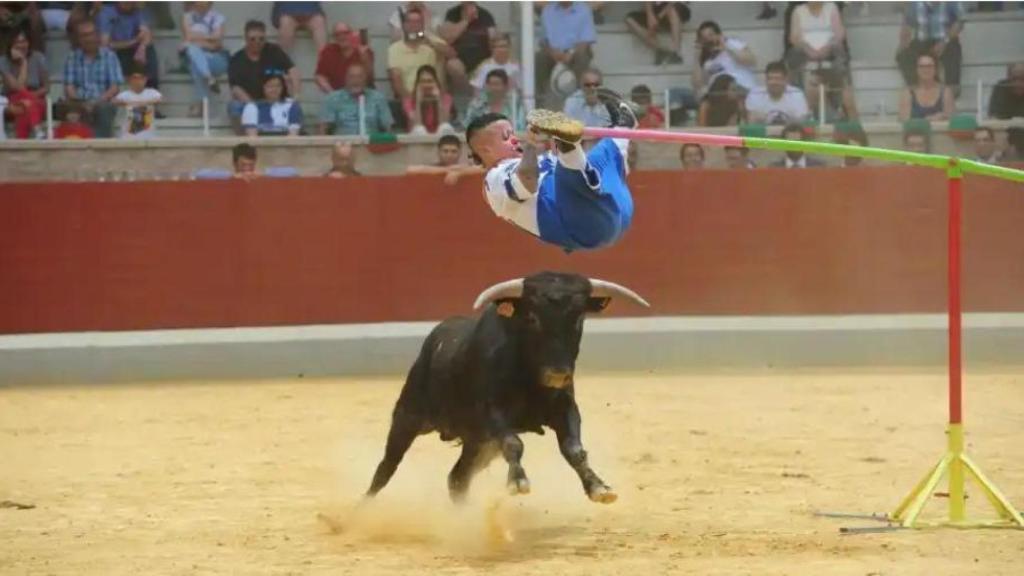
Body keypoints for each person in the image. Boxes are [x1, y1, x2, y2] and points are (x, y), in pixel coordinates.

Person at [465, 97, 640, 253]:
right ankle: (568, 145)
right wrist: (532, 144)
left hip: (616, 214)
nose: (515, 140)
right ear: (485, 150)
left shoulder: (536, 159)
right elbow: (527, 181)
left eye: (513, 133)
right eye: (506, 137)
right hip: (582, 224)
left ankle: (622, 126)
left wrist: (553, 143)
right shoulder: (494, 181)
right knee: (573, 170)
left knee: (599, 157)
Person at [228, 20, 299, 133]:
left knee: (294, 106)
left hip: (276, 99)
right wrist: (253, 106)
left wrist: (296, 95)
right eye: (252, 39)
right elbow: (236, 88)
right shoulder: (237, 59)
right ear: (245, 39)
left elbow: (292, 70)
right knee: (234, 106)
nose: (257, 42)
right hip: (251, 101)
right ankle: (244, 140)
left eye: (261, 39)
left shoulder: (274, 51)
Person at [63, 20, 123, 138]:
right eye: (84, 35)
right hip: (79, 102)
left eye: (91, 34)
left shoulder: (109, 56)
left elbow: (114, 87)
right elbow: (69, 87)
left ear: (97, 35)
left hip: (103, 101)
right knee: (73, 110)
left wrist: (96, 102)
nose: (88, 38)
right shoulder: (72, 57)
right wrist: (81, 103)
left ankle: (100, 147)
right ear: (79, 39)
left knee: (103, 110)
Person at [387, 7, 457, 100]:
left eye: (417, 22)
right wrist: (410, 102)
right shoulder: (394, 49)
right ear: (404, 25)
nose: (413, 25)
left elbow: (452, 54)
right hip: (409, 97)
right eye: (409, 22)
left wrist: (431, 43)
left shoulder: (431, 41)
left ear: (422, 25)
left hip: (433, 96)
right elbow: (396, 82)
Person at [896, 2, 963, 96]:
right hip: (921, 41)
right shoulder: (915, 4)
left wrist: (944, 42)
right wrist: (903, 43)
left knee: (953, 48)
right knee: (903, 54)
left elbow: (959, 23)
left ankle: (951, 90)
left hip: (945, 39)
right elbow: (907, 25)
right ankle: (916, 90)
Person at [537, 1, 596, 101]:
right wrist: (553, 52)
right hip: (553, 51)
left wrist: (571, 52)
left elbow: (586, 40)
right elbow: (543, 41)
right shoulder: (547, 11)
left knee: (581, 57)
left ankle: (580, 99)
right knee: (539, 58)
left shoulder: (584, 10)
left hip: (577, 50)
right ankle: (540, 100)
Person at [180, 1, 227, 118]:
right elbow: (189, 36)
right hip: (193, 57)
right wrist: (209, 39)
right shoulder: (187, 17)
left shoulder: (218, 18)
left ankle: (199, 105)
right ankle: (209, 78)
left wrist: (197, 40)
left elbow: (217, 44)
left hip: (215, 58)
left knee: (193, 53)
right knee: (193, 53)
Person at [785, 2, 848, 90]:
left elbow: (839, 34)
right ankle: (797, 90)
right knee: (794, 54)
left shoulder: (831, 7)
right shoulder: (798, 11)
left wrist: (827, 48)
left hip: (829, 47)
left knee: (839, 50)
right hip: (805, 49)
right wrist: (809, 50)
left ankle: (837, 89)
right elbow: (794, 37)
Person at [98, 2, 159, 91]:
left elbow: (146, 33)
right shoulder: (106, 12)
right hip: (116, 53)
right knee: (107, 53)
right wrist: (134, 42)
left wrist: (142, 47)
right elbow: (105, 44)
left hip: (133, 51)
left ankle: (151, 92)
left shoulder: (139, 11)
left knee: (149, 50)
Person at [319, 63, 393, 135]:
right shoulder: (333, 98)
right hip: (342, 144)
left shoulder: (378, 98)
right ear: (345, 79)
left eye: (360, 77)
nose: (356, 80)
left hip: (371, 143)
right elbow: (324, 130)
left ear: (366, 79)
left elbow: (387, 128)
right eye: (352, 77)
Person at [0, 30, 48, 139]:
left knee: (26, 107)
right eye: (17, 42)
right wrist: (24, 62)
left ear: (29, 42)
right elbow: (17, 88)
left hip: (36, 97)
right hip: (12, 99)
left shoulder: (38, 57)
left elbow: (46, 87)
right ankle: (37, 130)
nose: (21, 45)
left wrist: (31, 97)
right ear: (11, 44)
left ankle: (21, 141)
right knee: (25, 104)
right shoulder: (3, 61)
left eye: (24, 41)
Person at [440, 1, 496, 93]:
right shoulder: (453, 14)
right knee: (452, 65)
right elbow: (448, 38)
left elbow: (493, 41)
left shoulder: (485, 15)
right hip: (459, 60)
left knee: (487, 67)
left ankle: (474, 94)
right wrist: (466, 20)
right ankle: (469, 94)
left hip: (482, 61)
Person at [692, 20, 757, 97]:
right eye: (704, 38)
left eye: (711, 35)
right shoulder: (707, 60)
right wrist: (697, 57)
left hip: (741, 90)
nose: (709, 40)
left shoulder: (732, 43)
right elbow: (697, 84)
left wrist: (726, 48)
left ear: (719, 34)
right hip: (719, 95)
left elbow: (751, 61)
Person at [315, 21, 374, 93]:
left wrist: (364, 56)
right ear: (334, 37)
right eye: (337, 34)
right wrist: (332, 94)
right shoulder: (328, 51)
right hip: (338, 95)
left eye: (345, 33)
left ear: (351, 34)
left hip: (363, 94)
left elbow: (370, 78)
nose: (342, 36)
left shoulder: (364, 50)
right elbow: (320, 76)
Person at [745, 61, 809, 125]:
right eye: (770, 79)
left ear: (786, 79)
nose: (774, 82)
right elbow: (751, 123)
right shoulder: (755, 94)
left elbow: (802, 121)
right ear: (765, 80)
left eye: (778, 79)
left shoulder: (797, 94)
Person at [624, 2, 689, 65]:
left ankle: (676, 52)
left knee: (673, 9)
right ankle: (660, 51)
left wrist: (658, 17)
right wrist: (650, 16)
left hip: (676, 9)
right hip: (657, 12)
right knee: (629, 19)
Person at [406, 134, 485, 185]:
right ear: (438, 152)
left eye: (453, 151)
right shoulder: (433, 167)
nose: (449, 155)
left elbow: (486, 168)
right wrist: (449, 169)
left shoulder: (466, 168)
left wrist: (460, 173)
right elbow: (410, 170)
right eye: (445, 151)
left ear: (460, 152)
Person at [898, 52, 954, 121]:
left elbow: (951, 121)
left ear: (936, 69)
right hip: (915, 131)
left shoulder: (945, 92)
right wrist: (928, 120)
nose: (926, 69)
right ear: (916, 69)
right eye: (921, 66)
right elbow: (904, 122)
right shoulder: (908, 93)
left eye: (929, 66)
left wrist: (943, 117)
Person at [114, 62, 161, 139]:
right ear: (130, 80)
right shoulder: (125, 94)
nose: (138, 81)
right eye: (135, 78)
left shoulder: (151, 93)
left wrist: (144, 103)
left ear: (145, 79)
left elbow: (160, 99)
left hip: (148, 134)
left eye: (141, 78)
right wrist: (127, 103)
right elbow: (115, 101)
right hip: (128, 135)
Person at [403, 64, 454, 134]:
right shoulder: (408, 101)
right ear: (417, 83)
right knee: (420, 129)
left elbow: (444, 122)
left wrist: (438, 100)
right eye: (423, 81)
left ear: (436, 82)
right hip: (416, 138)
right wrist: (418, 101)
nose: (426, 85)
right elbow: (415, 124)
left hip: (438, 136)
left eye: (429, 81)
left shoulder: (446, 98)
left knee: (445, 127)